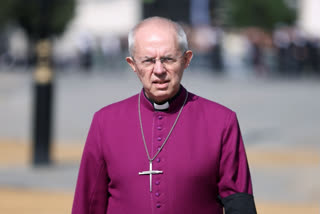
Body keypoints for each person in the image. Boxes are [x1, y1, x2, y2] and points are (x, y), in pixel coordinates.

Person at [72, 17, 257, 214]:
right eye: (148, 61)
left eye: (168, 59)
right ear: (133, 64)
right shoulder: (105, 122)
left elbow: (240, 205)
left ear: (186, 60)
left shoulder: (221, 122)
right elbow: (88, 203)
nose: (159, 70)